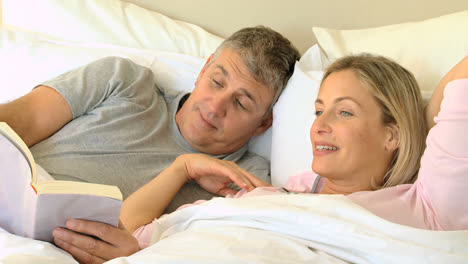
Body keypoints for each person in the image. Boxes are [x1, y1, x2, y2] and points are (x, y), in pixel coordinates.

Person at [53, 54, 468, 263]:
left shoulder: (425, 207)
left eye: (343, 111)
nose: (319, 125)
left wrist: (422, 120)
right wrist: (181, 168)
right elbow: (130, 232)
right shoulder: (263, 196)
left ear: (392, 133)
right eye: (318, 110)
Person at [0, 26, 300, 212]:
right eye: (217, 82)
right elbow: (21, 120)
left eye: (241, 103)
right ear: (203, 69)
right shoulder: (125, 82)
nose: (216, 106)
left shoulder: (243, 179)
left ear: (263, 123)